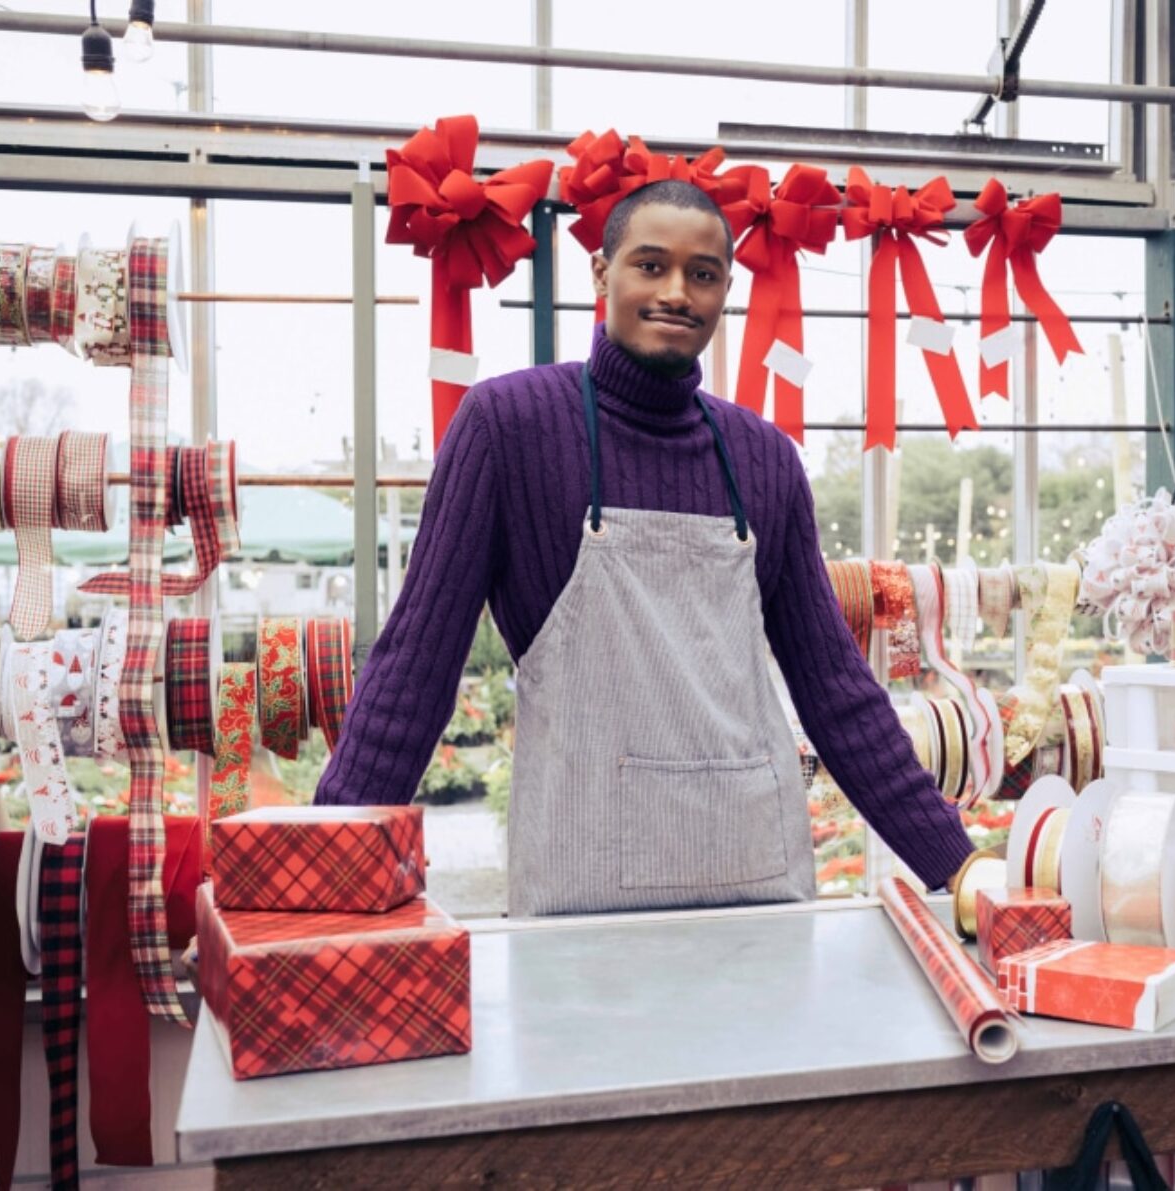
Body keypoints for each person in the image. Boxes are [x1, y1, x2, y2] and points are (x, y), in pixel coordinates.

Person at [314, 179, 974, 915]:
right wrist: (326, 870)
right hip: (580, 896)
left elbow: (836, 692)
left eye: (702, 274)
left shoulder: (764, 458)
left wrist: (958, 863)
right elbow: (416, 663)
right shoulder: (510, 427)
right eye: (650, 265)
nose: (677, 293)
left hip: (754, 886)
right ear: (602, 273)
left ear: (726, 290)